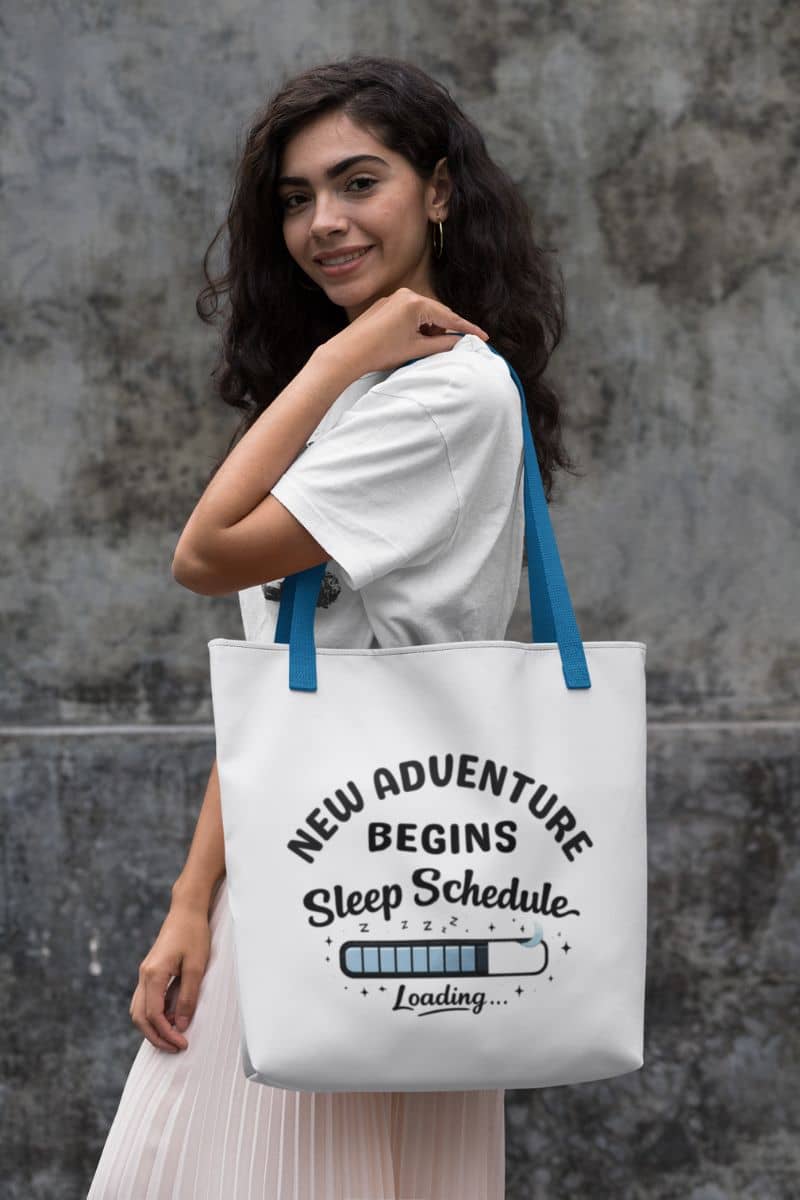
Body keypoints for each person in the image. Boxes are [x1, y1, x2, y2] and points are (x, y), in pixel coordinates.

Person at [86, 52, 578, 1199]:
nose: (324, 222)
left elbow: (203, 556)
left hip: (356, 888)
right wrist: (192, 903)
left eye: (359, 183)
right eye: (296, 199)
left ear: (440, 191)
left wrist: (340, 353)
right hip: (329, 872)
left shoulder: (439, 391)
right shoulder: (376, 388)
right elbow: (286, 679)